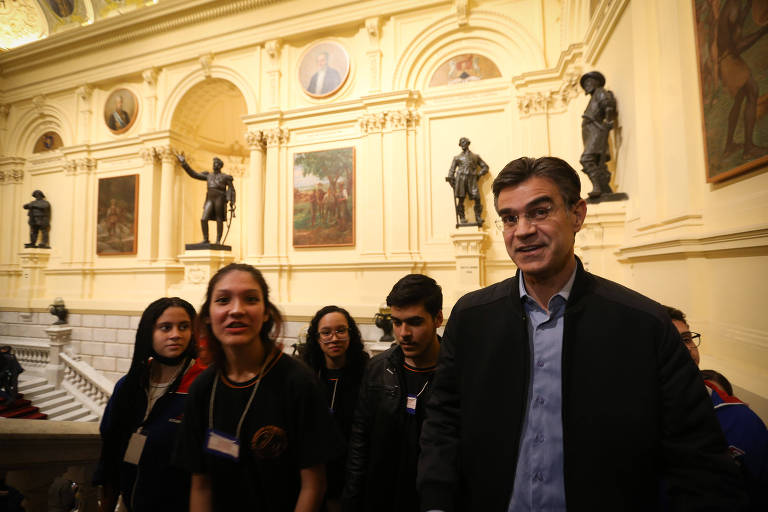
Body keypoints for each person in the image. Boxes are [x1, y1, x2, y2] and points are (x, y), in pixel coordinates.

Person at [418, 156, 747, 511]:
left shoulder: (643, 325)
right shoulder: (471, 318)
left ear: (577, 215)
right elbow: (443, 422)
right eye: (510, 218)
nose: (523, 230)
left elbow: (697, 458)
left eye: (540, 211)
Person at [174, 263, 342, 512]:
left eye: (250, 299)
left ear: (265, 313)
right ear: (208, 315)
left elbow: (313, 485)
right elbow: (201, 484)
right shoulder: (202, 388)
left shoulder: (298, 383)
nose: (236, 310)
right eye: (223, 300)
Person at [344, 274, 443, 512]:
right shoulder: (378, 368)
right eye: (397, 322)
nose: (403, 333)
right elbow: (360, 441)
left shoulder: (457, 371)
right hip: (382, 496)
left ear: (438, 318)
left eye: (415, 322)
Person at [95, 297, 204, 512]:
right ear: (148, 333)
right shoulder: (128, 386)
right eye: (165, 327)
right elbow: (110, 453)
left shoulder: (203, 386)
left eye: (184, 327)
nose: (176, 335)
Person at [666, 305, 768, 510]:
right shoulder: (637, 421)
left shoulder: (740, 418)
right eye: (673, 343)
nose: (687, 349)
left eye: (687, 339)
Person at [302, 306, 370, 512]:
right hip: (315, 471)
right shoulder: (305, 376)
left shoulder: (367, 374)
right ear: (317, 337)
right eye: (326, 332)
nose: (334, 338)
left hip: (354, 471)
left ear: (350, 334)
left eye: (341, 330)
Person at [176, 154, 236, 246]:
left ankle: (218, 241)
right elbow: (194, 174)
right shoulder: (208, 175)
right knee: (204, 218)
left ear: (220, 166)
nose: (214, 165)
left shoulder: (225, 177)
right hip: (210, 199)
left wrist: (232, 201)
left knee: (219, 219)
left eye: (216, 163)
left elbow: (231, 189)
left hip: (220, 198)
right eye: (213, 163)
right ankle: (206, 239)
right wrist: (184, 163)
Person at [579, 70, 618, 199]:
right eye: (585, 83)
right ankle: (603, 188)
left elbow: (608, 105)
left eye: (589, 82)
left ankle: (597, 186)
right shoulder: (593, 97)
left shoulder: (600, 92)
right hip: (590, 132)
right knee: (594, 161)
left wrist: (608, 120)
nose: (587, 85)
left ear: (596, 82)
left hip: (596, 130)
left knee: (587, 159)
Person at [445, 137, 489, 225]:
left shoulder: (475, 157)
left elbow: (485, 167)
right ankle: (462, 217)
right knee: (461, 199)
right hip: (460, 180)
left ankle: (478, 217)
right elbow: (452, 170)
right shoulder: (457, 158)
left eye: (464, 142)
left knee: (477, 198)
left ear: (468, 143)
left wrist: (479, 174)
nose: (462, 144)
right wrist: (450, 179)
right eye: (461, 143)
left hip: (472, 180)